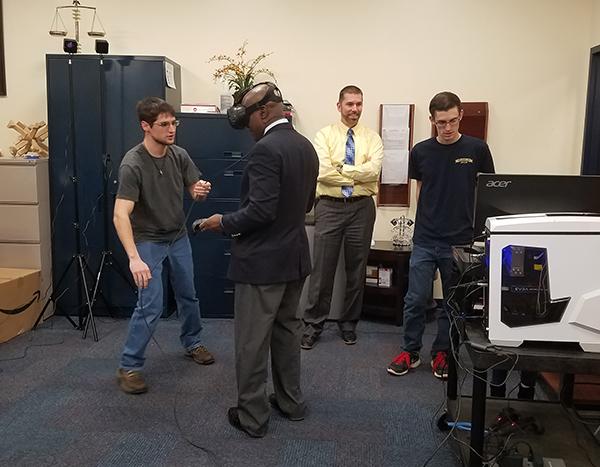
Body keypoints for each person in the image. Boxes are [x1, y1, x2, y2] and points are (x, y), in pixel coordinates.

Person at [199, 82, 319, 438]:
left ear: (265, 112)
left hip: (262, 264)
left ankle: (252, 416)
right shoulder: (305, 146)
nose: (246, 125)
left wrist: (223, 223)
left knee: (252, 342)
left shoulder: (266, 149)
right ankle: (290, 402)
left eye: (249, 116)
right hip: (294, 259)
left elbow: (261, 211)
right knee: (286, 334)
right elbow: (308, 204)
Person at [387, 91, 495, 379]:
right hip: (425, 238)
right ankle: (410, 351)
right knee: (415, 299)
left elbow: (485, 190)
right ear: (431, 121)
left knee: (452, 302)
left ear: (460, 115)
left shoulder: (477, 150)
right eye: (440, 123)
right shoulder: (421, 151)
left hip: (459, 240)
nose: (447, 128)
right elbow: (421, 190)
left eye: (452, 121)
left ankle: (442, 354)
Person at [113, 97, 215, 395]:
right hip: (148, 241)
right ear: (146, 126)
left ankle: (192, 343)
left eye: (174, 123)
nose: (171, 129)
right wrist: (134, 258)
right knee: (151, 304)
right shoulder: (133, 164)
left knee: (188, 294)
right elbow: (120, 214)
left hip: (177, 236)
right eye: (164, 125)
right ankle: (129, 366)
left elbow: (194, 193)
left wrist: (199, 191)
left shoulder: (179, 155)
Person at [301, 85, 383, 349]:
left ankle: (348, 323)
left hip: (362, 208)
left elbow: (375, 172)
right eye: (349, 104)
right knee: (322, 270)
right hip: (329, 206)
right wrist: (359, 172)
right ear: (339, 106)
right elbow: (323, 172)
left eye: (359, 104)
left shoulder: (373, 138)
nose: (355, 109)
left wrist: (343, 168)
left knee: (356, 270)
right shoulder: (324, 136)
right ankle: (313, 324)